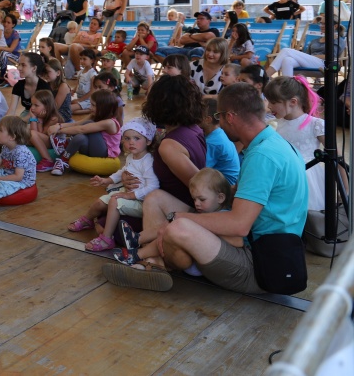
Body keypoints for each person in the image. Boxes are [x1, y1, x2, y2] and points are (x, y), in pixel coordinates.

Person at [103, 82, 308, 294]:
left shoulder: (262, 156)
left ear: (229, 117)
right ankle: (154, 263)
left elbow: (239, 226)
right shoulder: (270, 142)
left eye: (219, 116)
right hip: (253, 244)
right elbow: (238, 198)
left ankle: (150, 259)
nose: (219, 124)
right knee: (155, 198)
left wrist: (179, 218)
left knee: (178, 227)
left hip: (257, 262)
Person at [68, 118, 159, 252]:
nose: (131, 142)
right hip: (128, 194)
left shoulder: (148, 161)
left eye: (137, 138)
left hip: (142, 202)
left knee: (114, 202)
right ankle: (87, 220)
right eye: (127, 138)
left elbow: (153, 186)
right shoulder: (131, 157)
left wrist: (130, 195)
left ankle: (107, 239)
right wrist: (107, 180)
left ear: (148, 141)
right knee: (99, 202)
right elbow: (123, 171)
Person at [266, 76, 326, 211]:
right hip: (283, 177)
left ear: (293, 102)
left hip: (307, 177)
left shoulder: (315, 124)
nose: (269, 106)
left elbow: (336, 158)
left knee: (310, 214)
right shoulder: (274, 125)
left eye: (273, 102)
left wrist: (346, 189)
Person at [50, 89, 122, 170]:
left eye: (93, 105)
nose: (90, 108)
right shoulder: (94, 115)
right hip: (93, 149)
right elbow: (76, 124)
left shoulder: (109, 123)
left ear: (103, 107)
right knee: (80, 138)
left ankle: (65, 143)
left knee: (89, 124)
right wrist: (59, 126)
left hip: (104, 153)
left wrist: (59, 131)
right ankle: (63, 160)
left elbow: (82, 129)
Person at [269, 23, 346, 77]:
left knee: (286, 51)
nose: (321, 26)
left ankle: (266, 76)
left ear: (335, 26)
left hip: (325, 65)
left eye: (324, 23)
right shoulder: (315, 40)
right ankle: (288, 89)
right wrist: (307, 57)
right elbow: (307, 54)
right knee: (287, 60)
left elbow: (331, 57)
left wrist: (310, 57)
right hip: (309, 62)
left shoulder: (338, 40)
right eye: (321, 23)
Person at [200, 97, 240, 186]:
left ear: (208, 120)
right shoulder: (219, 132)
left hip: (226, 186)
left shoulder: (213, 142)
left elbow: (202, 170)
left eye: (198, 115)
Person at [28, 89, 63, 171]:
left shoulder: (54, 119)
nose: (32, 108)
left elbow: (37, 133)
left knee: (32, 133)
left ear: (47, 106)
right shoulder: (40, 115)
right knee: (25, 130)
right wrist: (35, 118)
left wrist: (37, 119)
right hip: (44, 139)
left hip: (53, 143)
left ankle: (48, 160)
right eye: (32, 104)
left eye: (36, 105)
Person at [8, 52, 50, 118]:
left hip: (42, 116)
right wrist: (4, 122)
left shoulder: (44, 88)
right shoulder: (18, 85)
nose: (19, 68)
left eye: (23, 65)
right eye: (19, 64)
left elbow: (44, 112)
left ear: (34, 68)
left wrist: (22, 121)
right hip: (27, 113)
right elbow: (11, 111)